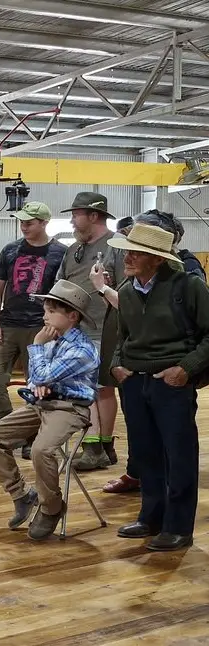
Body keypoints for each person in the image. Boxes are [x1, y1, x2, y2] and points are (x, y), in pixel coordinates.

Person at [108, 223, 209, 551]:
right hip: (134, 384)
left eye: (136, 253)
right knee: (146, 454)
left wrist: (185, 369)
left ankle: (178, 528)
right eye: (127, 250)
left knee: (179, 457)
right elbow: (123, 337)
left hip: (172, 384)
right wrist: (117, 365)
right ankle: (150, 518)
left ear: (158, 259)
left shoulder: (188, 286)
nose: (127, 257)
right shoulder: (126, 290)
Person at [0, 279, 99, 541]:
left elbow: (41, 373)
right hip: (42, 404)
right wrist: (39, 384)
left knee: (41, 449)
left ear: (72, 316)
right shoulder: (53, 339)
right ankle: (21, 495)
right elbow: (36, 378)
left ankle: (51, 507)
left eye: (51, 311)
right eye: (45, 310)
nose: (45, 316)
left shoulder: (81, 349)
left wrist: (36, 346)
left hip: (70, 408)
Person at [0, 202, 67, 424]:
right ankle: (5, 419)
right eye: (22, 222)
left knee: (39, 380)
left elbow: (63, 293)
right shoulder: (10, 250)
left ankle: (33, 427)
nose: (24, 227)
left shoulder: (60, 253)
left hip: (41, 326)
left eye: (29, 223)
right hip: (8, 323)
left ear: (44, 223)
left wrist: (57, 325)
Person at [56, 192, 124, 472]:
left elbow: (127, 292)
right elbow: (61, 283)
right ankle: (102, 448)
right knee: (93, 389)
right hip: (77, 330)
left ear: (93, 216)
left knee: (100, 390)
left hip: (106, 330)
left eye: (76, 215)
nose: (72, 221)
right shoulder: (73, 249)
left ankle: (97, 446)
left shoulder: (117, 247)